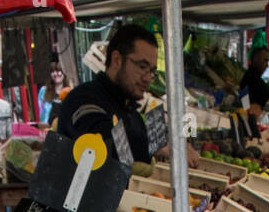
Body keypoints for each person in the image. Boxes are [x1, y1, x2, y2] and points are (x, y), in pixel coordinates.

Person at [55, 25, 198, 169]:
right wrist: (159, 144)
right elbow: (102, 139)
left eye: (152, 71)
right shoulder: (83, 98)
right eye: (142, 67)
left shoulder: (132, 113)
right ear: (117, 59)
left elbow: (137, 158)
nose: (148, 78)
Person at [241, 45, 269, 112]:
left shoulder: (257, 79)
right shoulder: (248, 79)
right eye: (265, 61)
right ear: (256, 59)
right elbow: (245, 105)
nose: (267, 65)